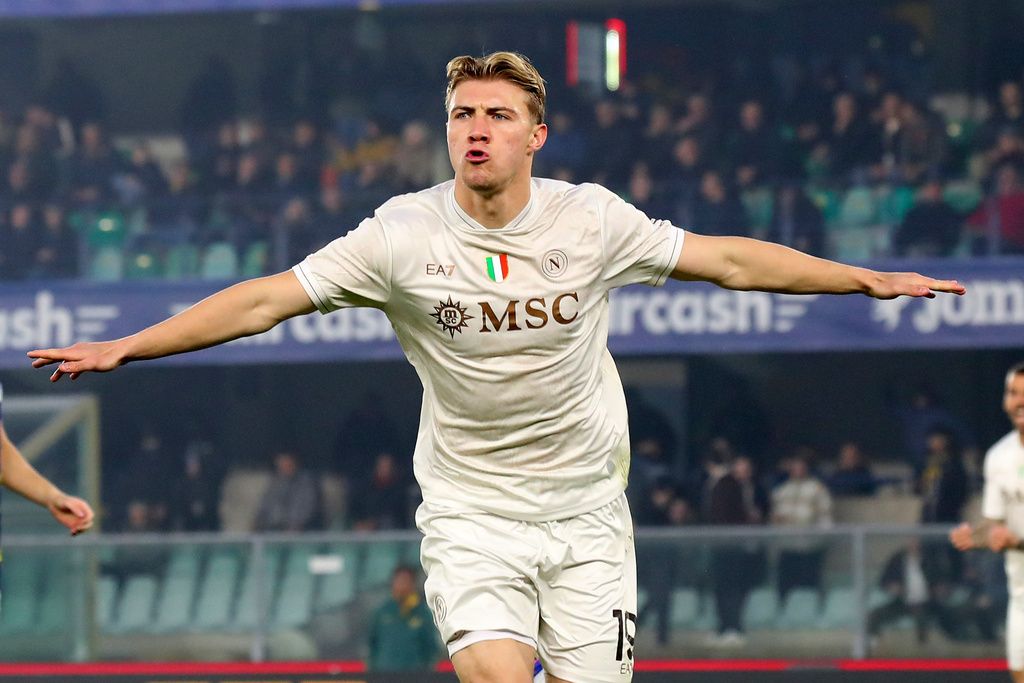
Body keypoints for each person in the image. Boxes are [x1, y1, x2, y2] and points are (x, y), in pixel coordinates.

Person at [28, 52, 964, 683]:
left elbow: (730, 259)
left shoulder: (591, 220)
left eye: (497, 115)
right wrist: (128, 342)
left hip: (592, 515)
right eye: (461, 113)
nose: (475, 128)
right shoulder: (400, 233)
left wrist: (864, 278)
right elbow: (267, 297)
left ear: (535, 135)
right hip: (474, 514)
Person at [951, 362, 1024, 682]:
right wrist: (974, 537)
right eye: (1013, 393)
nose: (1019, 401)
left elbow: (1012, 538)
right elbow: (995, 525)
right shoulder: (999, 457)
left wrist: (1017, 542)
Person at [367, 565, 440, 671]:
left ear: (413, 585)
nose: (402, 586)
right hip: (384, 675)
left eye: (406, 581)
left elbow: (431, 647)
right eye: (399, 581)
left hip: (414, 676)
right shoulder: (382, 613)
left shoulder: (422, 613)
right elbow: (372, 646)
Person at [251, 450, 322, 533]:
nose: (283, 466)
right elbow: (265, 507)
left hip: (302, 531)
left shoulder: (306, 483)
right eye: (280, 462)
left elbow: (306, 508)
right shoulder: (275, 482)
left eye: (286, 462)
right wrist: (258, 523)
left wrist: (293, 525)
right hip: (274, 529)